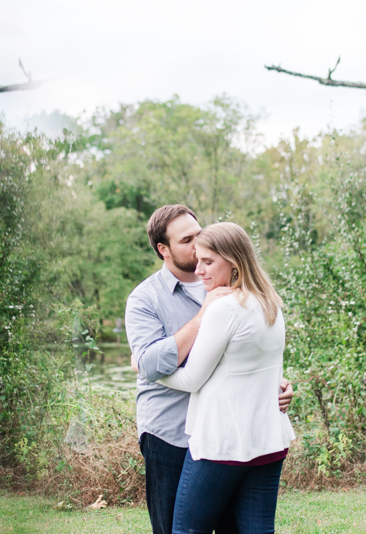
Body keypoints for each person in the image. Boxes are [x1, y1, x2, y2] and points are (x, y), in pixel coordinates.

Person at [125, 205, 293, 534]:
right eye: (187, 240)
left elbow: (242, 355)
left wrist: (271, 382)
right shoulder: (145, 299)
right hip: (170, 433)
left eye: (199, 235)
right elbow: (151, 360)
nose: (197, 246)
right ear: (164, 249)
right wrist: (202, 315)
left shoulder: (229, 286)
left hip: (227, 433)